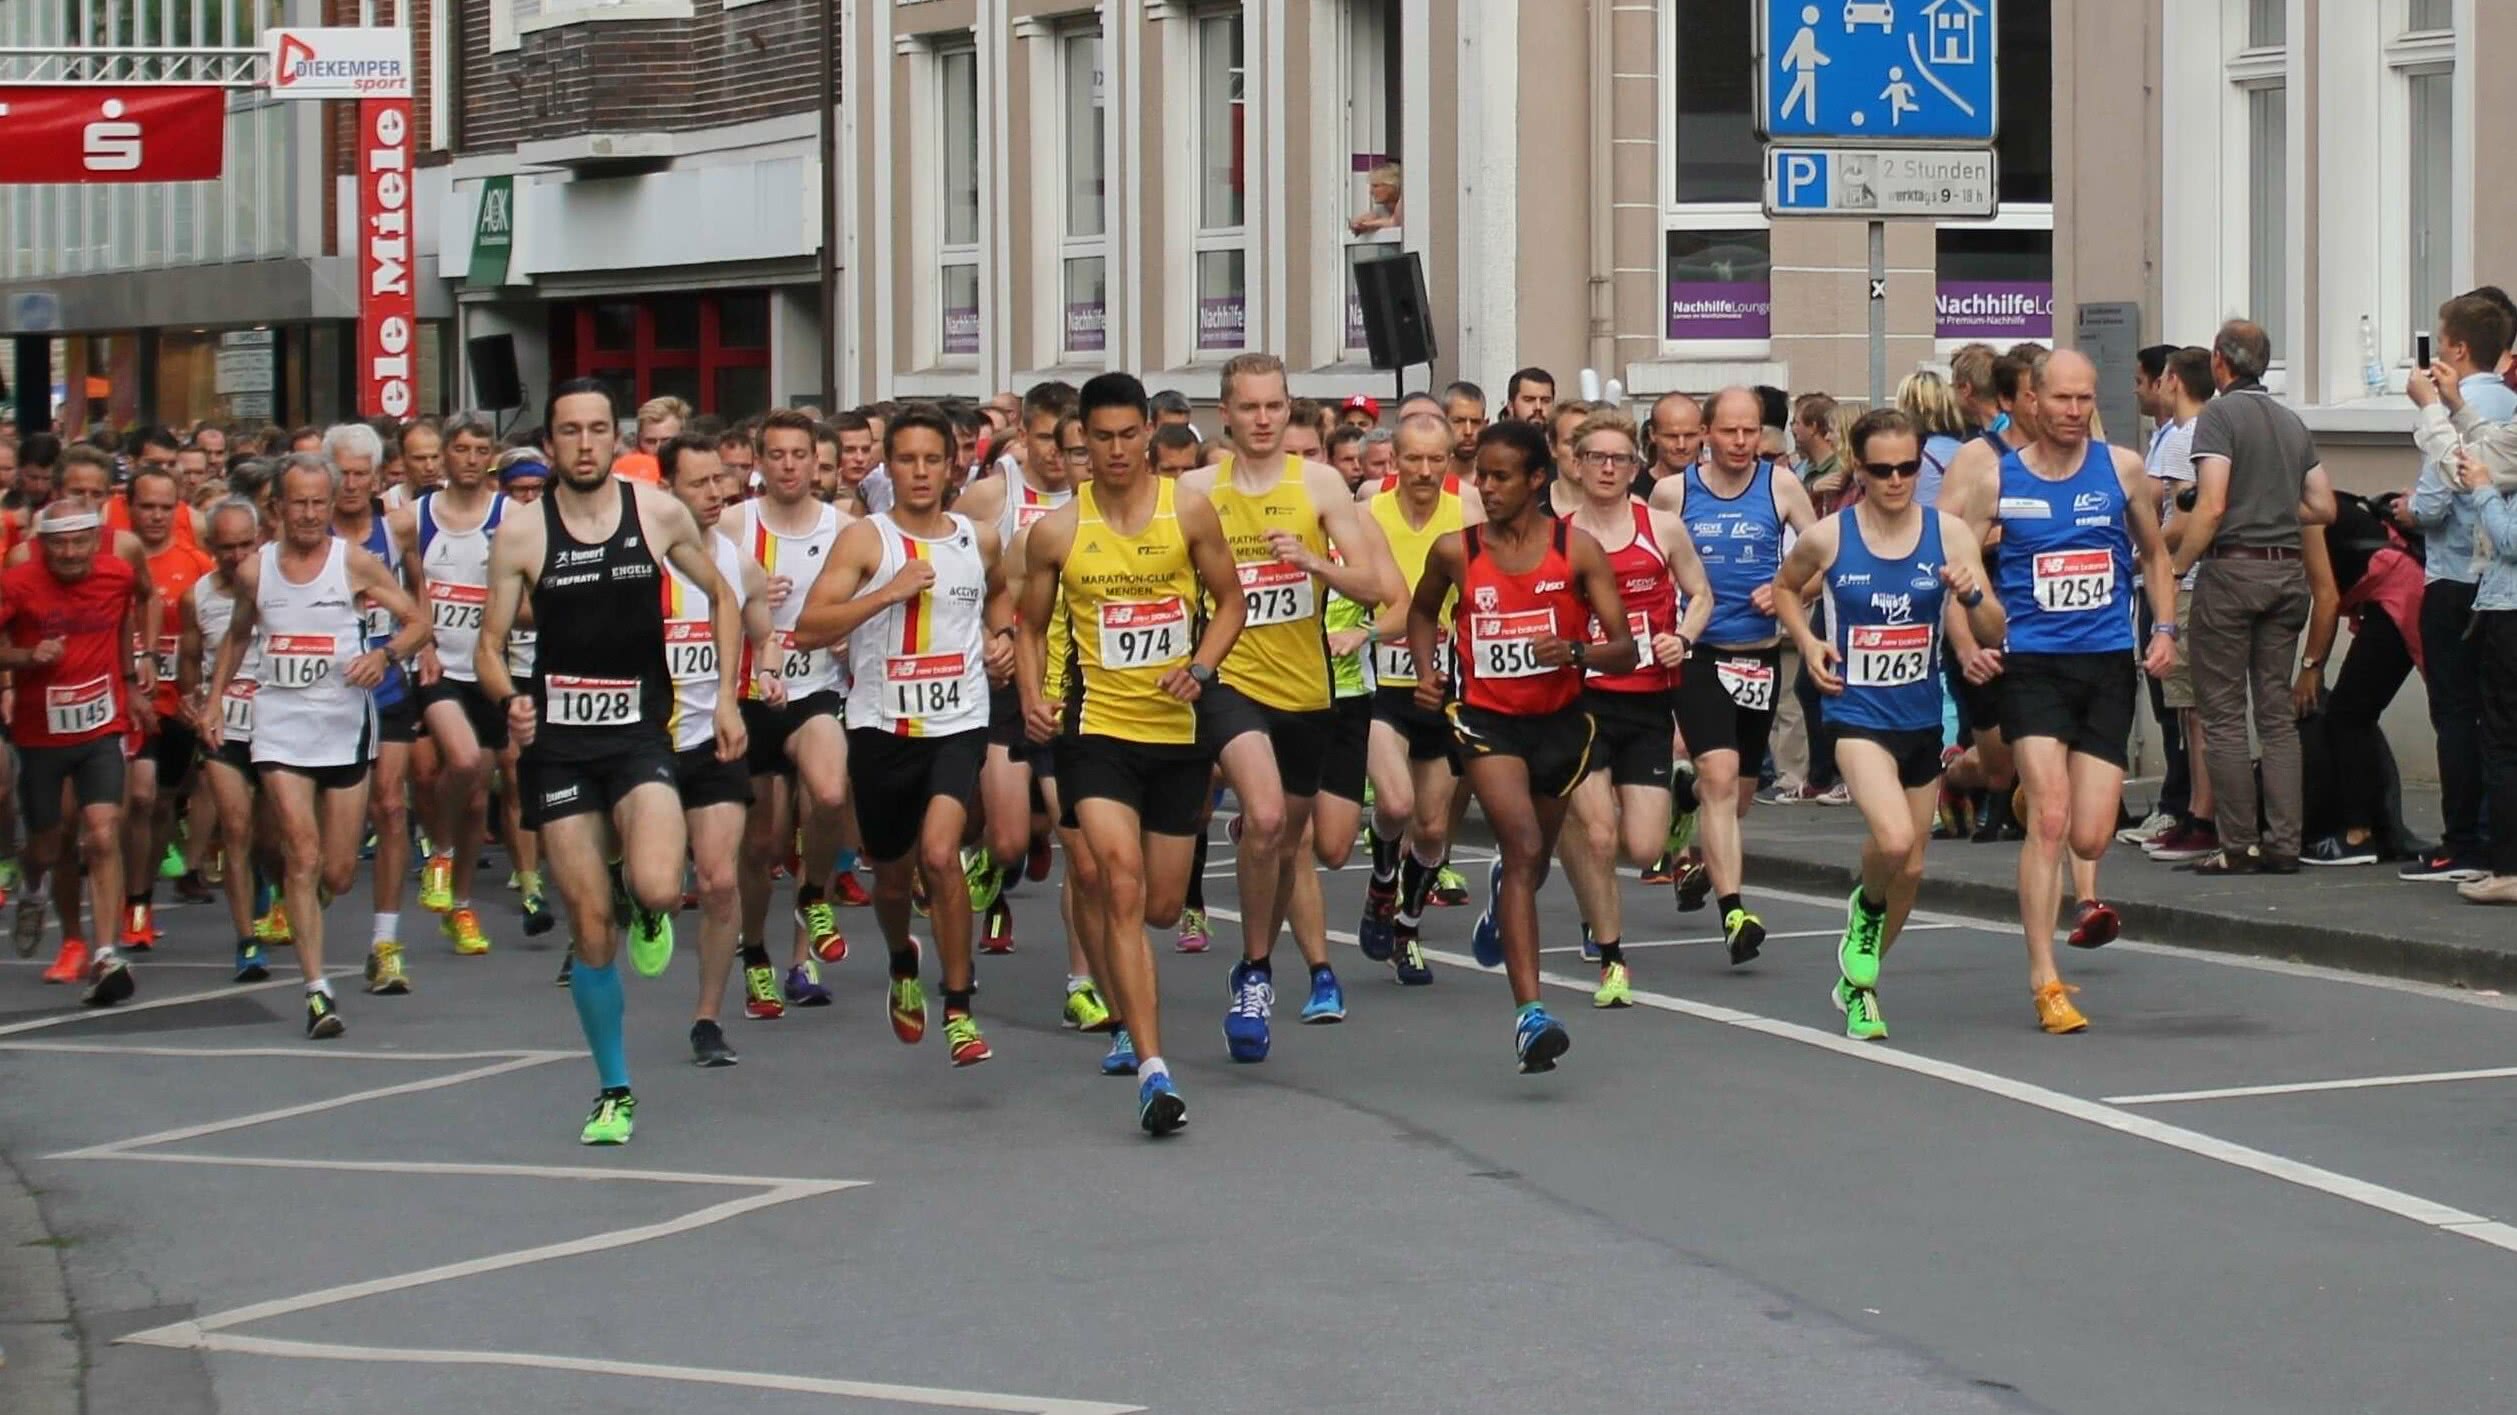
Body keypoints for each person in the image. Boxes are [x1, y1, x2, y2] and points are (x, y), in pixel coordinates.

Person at [475, 379, 746, 1145]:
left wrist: (725, 698)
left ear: (616, 437)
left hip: (637, 735)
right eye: (570, 431)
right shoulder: (522, 532)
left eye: (598, 429)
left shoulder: (655, 512)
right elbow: (488, 648)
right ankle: (614, 1087)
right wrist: (508, 700)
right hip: (558, 743)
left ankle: (648, 900)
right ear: (550, 443)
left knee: (661, 882)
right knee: (591, 927)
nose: (586, 443)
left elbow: (723, 597)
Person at [1016, 372, 1247, 1134]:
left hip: (1176, 734)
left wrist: (1204, 665)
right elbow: (1029, 624)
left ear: (1149, 431)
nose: (1115, 451)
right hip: (1097, 732)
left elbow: (1232, 599)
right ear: (1079, 439)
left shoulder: (1187, 509)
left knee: (1155, 904)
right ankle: (1152, 1067)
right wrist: (1030, 694)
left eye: (1127, 435)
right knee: (1116, 882)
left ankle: (1130, 1007)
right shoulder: (1056, 530)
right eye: (1100, 438)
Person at [1943, 350, 2179, 1034]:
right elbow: (1948, 559)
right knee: (2049, 821)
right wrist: (1966, 640)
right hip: (2032, 662)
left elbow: (2156, 554)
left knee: (2089, 832)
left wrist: (2162, 628)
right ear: (2031, 401)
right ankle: (2044, 978)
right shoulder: (1995, 478)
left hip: (2105, 662)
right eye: (2061, 399)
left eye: (2085, 399)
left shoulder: (2122, 469)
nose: (2073, 411)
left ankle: (2027, 793)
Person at [1178, 353, 1400, 1061]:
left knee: (1283, 841)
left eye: (1275, 405)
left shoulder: (1322, 482)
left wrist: (1315, 565)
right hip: (1228, 682)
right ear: (1225, 413)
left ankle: (1256, 964)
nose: (1264, 419)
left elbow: (1377, 588)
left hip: (1306, 689)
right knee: (1266, 817)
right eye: (1249, 408)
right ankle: (1253, 974)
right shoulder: (1192, 490)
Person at [1407, 419, 1636, 1073]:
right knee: (1524, 847)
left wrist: (1575, 650)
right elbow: (1423, 611)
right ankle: (1529, 1015)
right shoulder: (1457, 550)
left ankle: (1504, 908)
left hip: (1561, 723)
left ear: (1537, 479)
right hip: (1487, 722)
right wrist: (1429, 672)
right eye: (1480, 474)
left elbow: (1622, 650)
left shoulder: (1577, 549)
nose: (1485, 486)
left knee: (1527, 870)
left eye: (1500, 475)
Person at [1773, 409, 2003, 1040]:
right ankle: (1864, 916)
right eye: (1882, 470)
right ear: (1860, 468)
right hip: (1854, 714)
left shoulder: (1950, 534)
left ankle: (1859, 986)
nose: (1897, 480)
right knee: (1896, 841)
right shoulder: (1831, 536)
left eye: (1907, 467)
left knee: (1914, 867)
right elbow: (1786, 587)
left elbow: (1995, 631)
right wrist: (1808, 641)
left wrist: (1973, 595)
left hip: (1920, 718)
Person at [797, 405, 1014, 1067]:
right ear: (888, 467)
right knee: (892, 881)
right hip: (881, 725)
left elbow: (1001, 594)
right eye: (907, 459)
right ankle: (900, 959)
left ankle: (958, 1005)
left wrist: (999, 639)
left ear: (953, 465)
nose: (920, 472)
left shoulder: (978, 537)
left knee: (942, 855)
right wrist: (887, 593)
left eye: (932, 459)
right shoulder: (867, 539)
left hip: (957, 722)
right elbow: (810, 626)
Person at [203, 454, 432, 1039]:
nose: (308, 514)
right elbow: (236, 637)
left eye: (317, 503)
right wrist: (213, 700)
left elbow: (417, 623)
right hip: (278, 725)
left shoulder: (352, 562)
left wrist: (384, 655)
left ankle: (310, 909)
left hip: (342, 727)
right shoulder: (257, 571)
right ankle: (317, 991)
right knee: (300, 856)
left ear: (330, 507)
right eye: (297, 503)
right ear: (275, 509)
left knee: (336, 873)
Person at [1647, 387, 1820, 959]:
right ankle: (1734, 913)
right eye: (1730, 432)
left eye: (1752, 432)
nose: (1742, 443)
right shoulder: (1673, 492)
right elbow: (1647, 568)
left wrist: (1786, 591)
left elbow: (1823, 557)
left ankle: (1685, 797)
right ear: (1705, 433)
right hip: (1698, 653)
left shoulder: (1781, 486)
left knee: (1736, 797)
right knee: (1721, 778)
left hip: (1760, 655)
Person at [1552, 411, 1713, 1007]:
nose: (1609, 468)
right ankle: (1612, 957)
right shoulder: (1559, 535)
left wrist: (1685, 639)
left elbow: (1701, 594)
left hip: (1647, 698)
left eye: (1620, 459)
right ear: (1578, 462)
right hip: (1583, 701)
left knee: (1641, 848)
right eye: (1597, 457)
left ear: (1635, 466)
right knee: (1597, 833)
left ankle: (1667, 814)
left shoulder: (1662, 528)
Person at [2174, 320, 2339, 875]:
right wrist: (2270, 507)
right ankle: (2285, 844)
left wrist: (2175, 567)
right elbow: (2323, 507)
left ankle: (2238, 844)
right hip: (2287, 577)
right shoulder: (2291, 421)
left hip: (2233, 574)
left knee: (2221, 713)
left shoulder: (2218, 416)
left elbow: (2212, 506)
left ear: (2220, 362)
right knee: (2275, 715)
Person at [644, 434, 778, 1063]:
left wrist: (770, 665)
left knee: (721, 881)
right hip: (645, 744)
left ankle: (707, 1019)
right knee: (662, 888)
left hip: (714, 739)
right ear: (667, 487)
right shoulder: (641, 557)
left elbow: (759, 622)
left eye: (720, 480)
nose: (715, 494)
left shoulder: (735, 559)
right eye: (698, 483)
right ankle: (645, 901)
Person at [727, 409, 856, 1007]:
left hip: (817, 690)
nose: (788, 465)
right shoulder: (733, 525)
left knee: (829, 794)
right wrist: (749, 600)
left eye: (798, 455)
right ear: (758, 462)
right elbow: (697, 609)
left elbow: (865, 606)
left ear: (816, 461)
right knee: (762, 843)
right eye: (775, 455)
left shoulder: (845, 527)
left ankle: (808, 937)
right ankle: (754, 950)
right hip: (751, 696)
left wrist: (846, 633)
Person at [0, 504, 150, 1006]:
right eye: (58, 544)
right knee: (48, 844)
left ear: (96, 540)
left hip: (100, 727)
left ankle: (106, 953)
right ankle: (31, 883)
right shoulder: (18, 583)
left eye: (79, 542)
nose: (68, 553)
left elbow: (140, 606)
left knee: (104, 832)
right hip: (39, 736)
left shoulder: (118, 573)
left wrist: (135, 672)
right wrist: (25, 657)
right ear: (42, 546)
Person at [949, 381, 1079, 955]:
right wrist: (988, 636)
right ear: (1022, 435)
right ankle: (992, 863)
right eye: (1044, 438)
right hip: (1003, 675)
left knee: (1072, 829)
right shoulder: (989, 498)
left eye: (1065, 441)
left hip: (1073, 679)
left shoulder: (1096, 496)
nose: (1055, 453)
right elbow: (949, 573)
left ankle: (1085, 976)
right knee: (1005, 843)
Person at [2401, 293, 2517, 884]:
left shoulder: (2463, 408)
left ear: (2458, 348)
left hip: (2462, 578)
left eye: (2442, 341)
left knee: (2463, 718)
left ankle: (2470, 843)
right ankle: (2495, 844)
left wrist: (2432, 412)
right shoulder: (2507, 405)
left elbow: (2445, 490)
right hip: (2490, 585)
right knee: (2494, 724)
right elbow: (2492, 456)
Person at [1360, 414, 1478, 984]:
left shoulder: (1469, 509)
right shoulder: (1368, 508)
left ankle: (1406, 926)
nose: (1425, 471)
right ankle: (1384, 874)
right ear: (1394, 458)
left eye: (1437, 459)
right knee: (1397, 805)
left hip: (1445, 684)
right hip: (1384, 680)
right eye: (1413, 459)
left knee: (1431, 830)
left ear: (1450, 460)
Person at [391, 413, 507, 955]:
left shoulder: (510, 516)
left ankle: (461, 907)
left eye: (479, 448)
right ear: (443, 454)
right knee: (459, 762)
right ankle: (438, 849)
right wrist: (425, 643)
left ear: (491, 456)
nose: (468, 458)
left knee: (479, 802)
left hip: (486, 667)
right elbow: (402, 577)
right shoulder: (417, 516)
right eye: (458, 448)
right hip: (437, 669)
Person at [177, 497, 273, 982]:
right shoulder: (197, 597)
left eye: (245, 545)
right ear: (209, 546)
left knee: (278, 838)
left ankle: (269, 878)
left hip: (280, 725)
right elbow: (189, 668)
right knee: (235, 828)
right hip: (226, 726)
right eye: (226, 547)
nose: (236, 556)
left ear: (259, 540)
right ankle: (247, 941)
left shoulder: (282, 582)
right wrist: (195, 704)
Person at [120, 466, 212, 953]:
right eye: (146, 506)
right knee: (137, 796)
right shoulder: (112, 557)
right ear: (130, 506)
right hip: (129, 700)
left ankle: (142, 895)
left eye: (165, 507)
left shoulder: (196, 563)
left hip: (179, 703)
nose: (155, 516)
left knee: (159, 805)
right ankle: (131, 900)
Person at [1347, 161, 1402, 235]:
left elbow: (1395, 223)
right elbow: (1372, 216)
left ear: (1393, 185)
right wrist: (1359, 223)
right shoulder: (1383, 208)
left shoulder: (1405, 201)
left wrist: (1368, 224)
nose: (1371, 192)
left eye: (1376, 186)